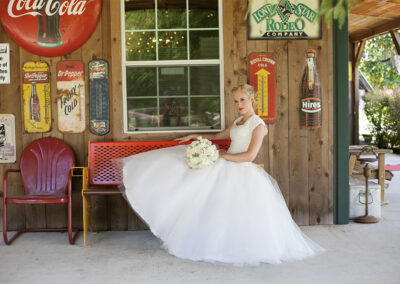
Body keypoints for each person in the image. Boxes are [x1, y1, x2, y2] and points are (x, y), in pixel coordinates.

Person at [122, 84, 325, 266]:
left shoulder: (258, 125)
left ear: (252, 99)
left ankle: (234, 245)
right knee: (188, 182)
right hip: (225, 162)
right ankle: (211, 240)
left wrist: (221, 156)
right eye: (236, 101)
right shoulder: (238, 121)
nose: (239, 104)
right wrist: (196, 137)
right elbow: (219, 137)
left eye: (242, 100)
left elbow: (249, 156)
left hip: (241, 169)